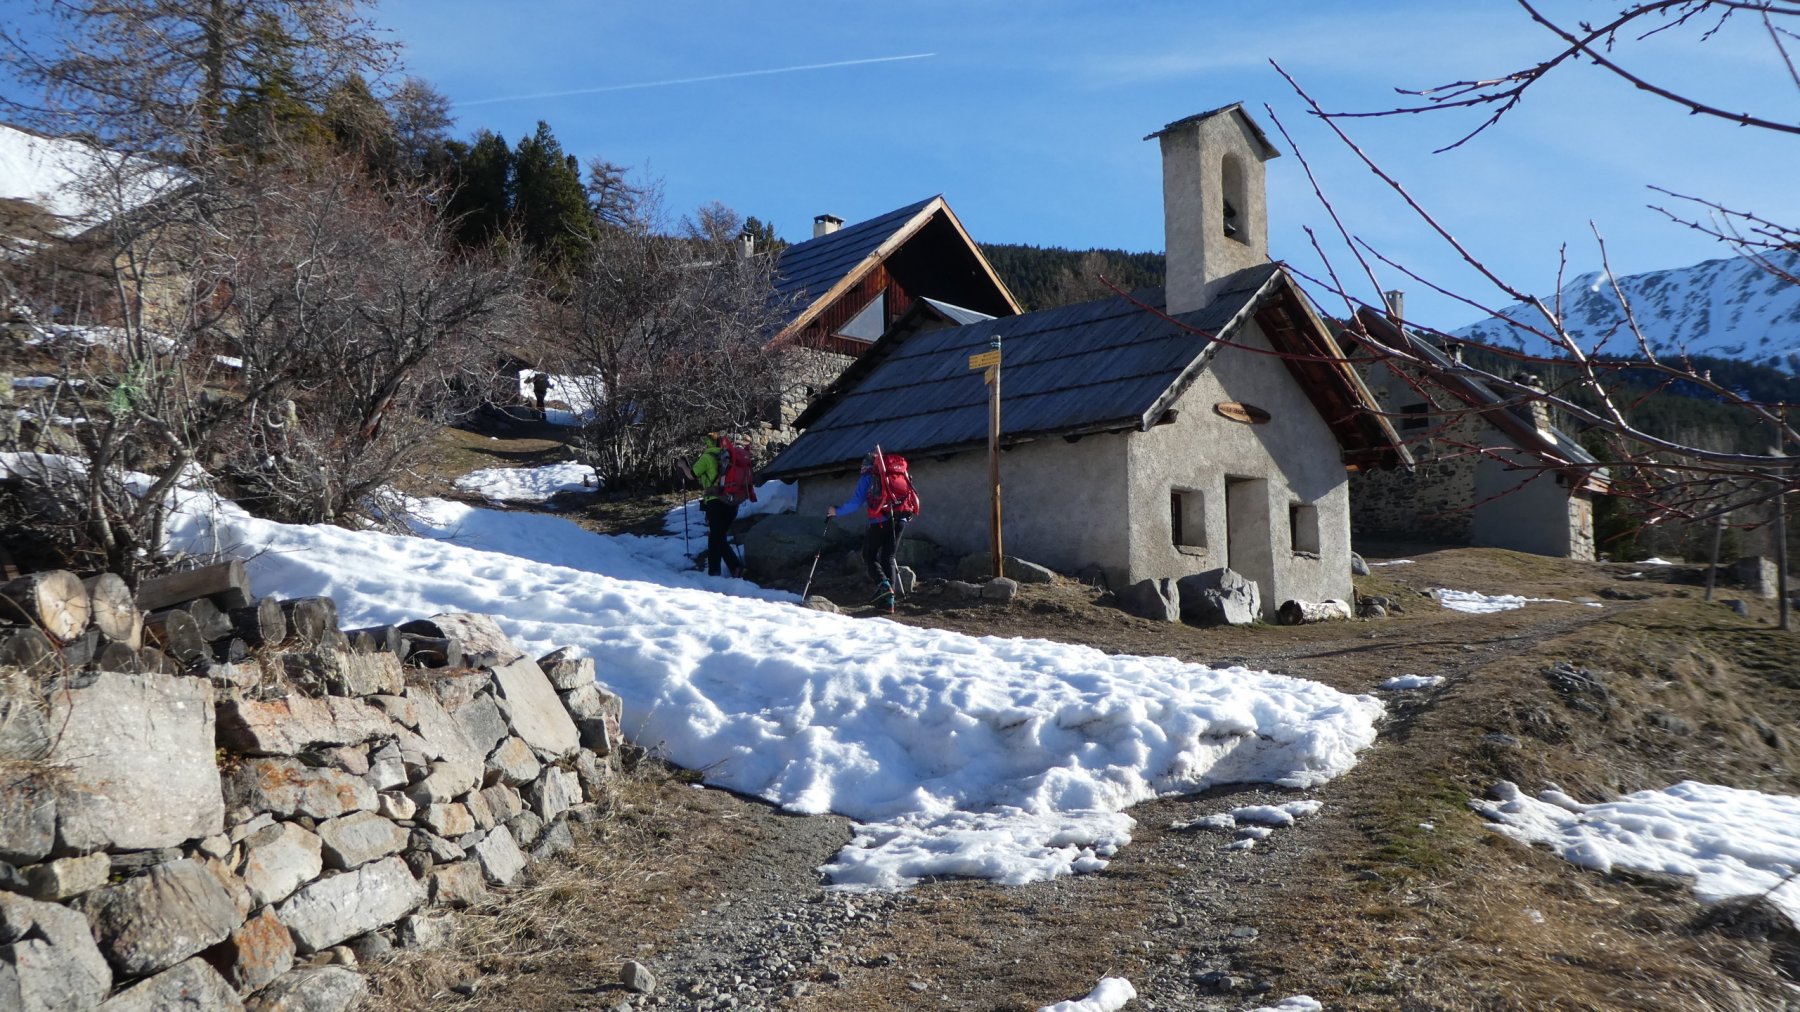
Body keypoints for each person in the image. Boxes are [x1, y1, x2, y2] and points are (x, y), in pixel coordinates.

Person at [826, 451, 915, 608]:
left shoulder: (868, 477)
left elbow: (855, 504)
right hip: (901, 519)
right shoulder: (898, 475)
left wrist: (836, 511)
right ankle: (889, 602)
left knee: (869, 555)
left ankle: (884, 585)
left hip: (880, 521)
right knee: (888, 557)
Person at [691, 432, 743, 578]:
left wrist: (683, 465)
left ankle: (735, 566)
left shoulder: (707, 457)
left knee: (717, 537)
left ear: (708, 443)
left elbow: (692, 474)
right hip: (731, 502)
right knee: (716, 536)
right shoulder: (730, 457)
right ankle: (714, 571)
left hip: (715, 502)